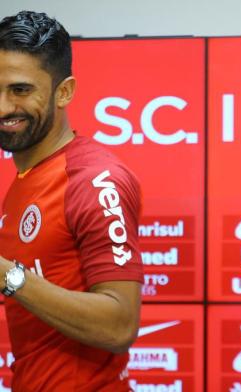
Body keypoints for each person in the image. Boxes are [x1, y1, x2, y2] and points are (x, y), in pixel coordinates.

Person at [0, 11, 143, 392]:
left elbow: (119, 325)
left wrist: (6, 276)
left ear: (64, 92)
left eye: (20, 90)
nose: (2, 107)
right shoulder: (25, 180)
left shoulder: (94, 180)